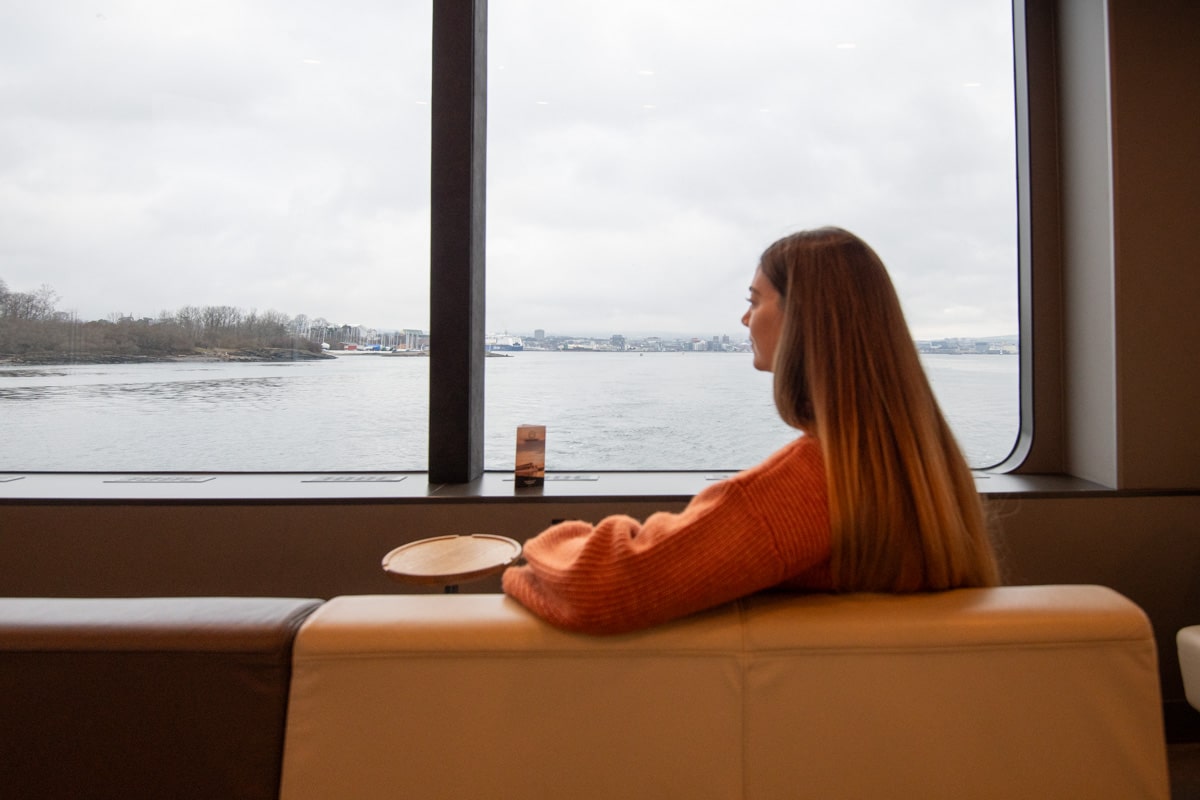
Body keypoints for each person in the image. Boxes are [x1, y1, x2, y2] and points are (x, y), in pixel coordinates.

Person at [502, 226, 1000, 634]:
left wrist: (546, 543)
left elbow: (603, 587)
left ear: (804, 319)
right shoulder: (922, 466)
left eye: (756, 300)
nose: (744, 318)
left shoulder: (813, 483)